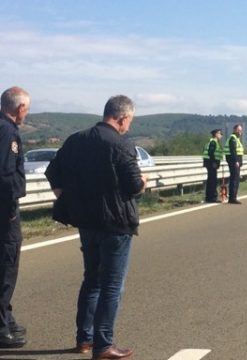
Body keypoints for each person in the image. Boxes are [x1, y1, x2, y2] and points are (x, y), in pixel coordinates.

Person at [45, 95, 147, 360]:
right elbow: (134, 185)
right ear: (123, 118)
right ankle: (104, 345)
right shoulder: (120, 144)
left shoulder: (76, 140)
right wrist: (144, 181)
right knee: (112, 285)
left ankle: (84, 339)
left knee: (91, 279)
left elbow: (52, 171)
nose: (128, 126)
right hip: (116, 223)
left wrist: (65, 197)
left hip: (86, 222)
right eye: (129, 121)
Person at [0, 87, 30, 348]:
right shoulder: (8, 132)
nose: (26, 114)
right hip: (4, 212)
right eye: (26, 109)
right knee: (6, 267)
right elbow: (7, 176)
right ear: (19, 108)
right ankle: (1, 327)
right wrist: (10, 209)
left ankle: (5, 318)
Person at [224, 124, 244, 204]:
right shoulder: (233, 138)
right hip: (234, 161)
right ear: (235, 130)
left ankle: (233, 196)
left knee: (235, 178)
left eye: (241, 130)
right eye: (239, 130)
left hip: (236, 161)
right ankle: (232, 197)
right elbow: (233, 151)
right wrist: (236, 161)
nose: (241, 132)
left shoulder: (236, 138)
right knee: (234, 179)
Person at [202, 129, 224, 203]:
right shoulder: (213, 142)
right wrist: (214, 162)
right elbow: (211, 153)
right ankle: (213, 197)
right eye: (220, 134)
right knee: (213, 181)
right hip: (211, 164)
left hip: (210, 163)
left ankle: (209, 197)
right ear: (216, 134)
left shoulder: (213, 142)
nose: (222, 135)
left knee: (210, 180)